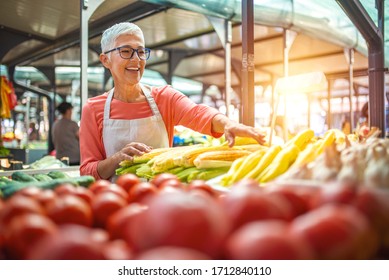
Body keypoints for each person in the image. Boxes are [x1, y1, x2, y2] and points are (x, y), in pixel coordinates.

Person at [79, 22, 266, 180]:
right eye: (126, 51)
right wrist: (117, 158)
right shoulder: (93, 108)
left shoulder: (163, 97)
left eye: (141, 51)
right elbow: (87, 172)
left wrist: (227, 124)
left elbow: (198, 113)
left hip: (162, 196)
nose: (136, 59)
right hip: (116, 202)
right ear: (105, 60)